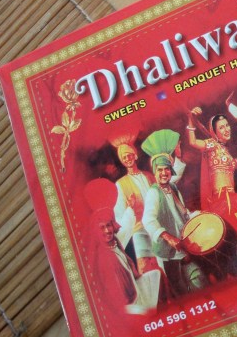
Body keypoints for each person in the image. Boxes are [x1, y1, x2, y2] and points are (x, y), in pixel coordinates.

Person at [187, 109, 237, 257]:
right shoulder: (211, 144)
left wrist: (233, 163)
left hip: (231, 197)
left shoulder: (224, 149)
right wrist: (190, 119)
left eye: (227, 125)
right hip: (223, 199)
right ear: (214, 132)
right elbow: (193, 142)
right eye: (222, 127)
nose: (226, 129)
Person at [83, 178, 164, 316]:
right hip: (123, 305)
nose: (107, 231)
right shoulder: (100, 254)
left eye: (109, 225)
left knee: (156, 275)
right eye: (102, 228)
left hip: (134, 291)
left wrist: (130, 207)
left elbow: (126, 227)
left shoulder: (116, 241)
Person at [141, 129, 207, 296]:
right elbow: (148, 219)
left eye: (167, 169)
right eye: (160, 170)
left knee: (198, 280)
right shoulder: (153, 193)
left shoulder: (173, 188)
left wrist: (198, 216)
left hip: (184, 245)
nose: (164, 173)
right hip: (168, 253)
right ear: (154, 172)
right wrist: (168, 237)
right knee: (181, 291)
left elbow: (183, 213)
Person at [111, 133, 185, 275]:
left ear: (135, 156)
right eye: (124, 157)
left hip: (160, 225)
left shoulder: (150, 175)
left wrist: (178, 158)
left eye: (129, 155)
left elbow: (169, 181)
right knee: (150, 272)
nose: (127, 159)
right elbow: (119, 216)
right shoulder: (120, 184)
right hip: (140, 232)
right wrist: (130, 208)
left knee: (169, 266)